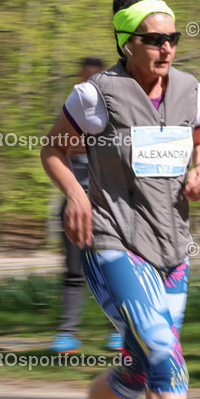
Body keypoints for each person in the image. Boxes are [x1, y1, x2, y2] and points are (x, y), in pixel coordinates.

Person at [39, 0, 200, 399]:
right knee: (163, 356)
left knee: (138, 369)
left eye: (173, 38)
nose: (166, 48)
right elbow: (53, 149)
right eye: (154, 39)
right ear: (127, 42)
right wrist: (77, 196)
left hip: (171, 247)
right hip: (114, 240)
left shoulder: (191, 91)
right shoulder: (95, 95)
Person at [50, 56, 123, 354]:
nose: (87, 83)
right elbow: (57, 147)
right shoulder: (71, 110)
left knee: (115, 269)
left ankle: (121, 331)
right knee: (73, 271)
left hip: (109, 205)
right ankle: (67, 334)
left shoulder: (116, 112)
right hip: (73, 203)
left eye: (93, 78)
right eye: (83, 77)